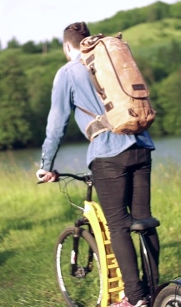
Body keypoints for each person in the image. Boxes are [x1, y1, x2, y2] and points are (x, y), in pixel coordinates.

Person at [36, 22, 160, 307]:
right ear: (87, 41)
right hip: (141, 144)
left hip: (108, 154)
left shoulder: (68, 72)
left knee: (118, 225)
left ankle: (135, 298)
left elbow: (56, 125)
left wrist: (46, 165)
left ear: (68, 46)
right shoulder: (108, 58)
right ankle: (154, 292)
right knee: (143, 220)